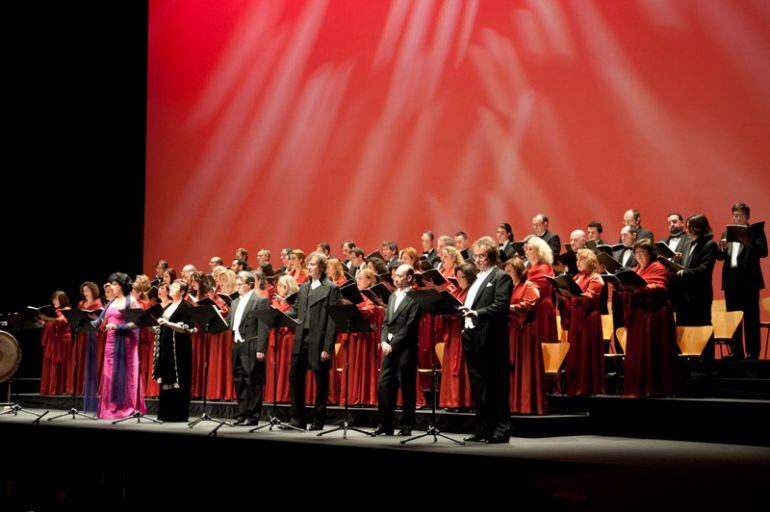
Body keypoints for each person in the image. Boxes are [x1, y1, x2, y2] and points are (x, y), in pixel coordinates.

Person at [460, 237, 513, 444]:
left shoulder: (502, 277)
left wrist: (476, 313)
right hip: (472, 336)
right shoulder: (477, 279)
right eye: (476, 256)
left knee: (496, 384)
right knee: (478, 385)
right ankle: (483, 428)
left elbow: (501, 306)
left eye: (482, 256)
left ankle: (501, 429)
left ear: (491, 256)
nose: (478, 260)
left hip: (490, 338)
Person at [286, 253, 340, 430]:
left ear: (322, 268)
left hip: (319, 339)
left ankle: (318, 419)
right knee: (295, 378)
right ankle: (297, 420)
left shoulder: (331, 288)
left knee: (321, 381)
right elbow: (295, 311)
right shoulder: (304, 288)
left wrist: (328, 347)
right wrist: (279, 316)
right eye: (308, 264)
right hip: (301, 338)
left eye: (313, 264)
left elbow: (333, 319)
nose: (308, 267)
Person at [621, 240, 675, 397]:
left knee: (652, 350)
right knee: (638, 352)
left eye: (642, 252)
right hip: (639, 315)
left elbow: (660, 286)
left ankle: (653, 387)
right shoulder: (635, 270)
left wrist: (642, 288)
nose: (638, 256)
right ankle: (638, 387)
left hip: (654, 315)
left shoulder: (658, 268)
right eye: (636, 253)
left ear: (650, 254)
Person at [374, 264, 422, 436]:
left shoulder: (416, 297)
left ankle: (406, 426)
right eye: (395, 275)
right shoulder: (393, 296)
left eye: (399, 276)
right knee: (385, 385)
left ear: (409, 278)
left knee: (406, 387)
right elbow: (386, 322)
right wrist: (383, 341)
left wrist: (392, 344)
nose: (395, 278)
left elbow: (410, 326)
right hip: (389, 348)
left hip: (406, 348)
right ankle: (385, 424)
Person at [716, 203, 768, 359]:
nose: (737, 218)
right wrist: (723, 248)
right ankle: (736, 352)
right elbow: (720, 257)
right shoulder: (727, 232)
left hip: (749, 282)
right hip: (731, 282)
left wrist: (748, 241)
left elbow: (764, 252)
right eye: (735, 215)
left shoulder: (755, 232)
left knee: (751, 319)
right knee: (733, 319)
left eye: (741, 215)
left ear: (747, 217)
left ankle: (752, 353)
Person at [558, 250, 606, 396]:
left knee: (587, 351)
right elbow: (572, 298)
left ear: (590, 261)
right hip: (576, 318)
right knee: (576, 353)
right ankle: (575, 385)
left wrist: (572, 295)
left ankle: (588, 386)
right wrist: (562, 294)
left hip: (588, 319)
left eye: (581, 260)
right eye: (577, 260)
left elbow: (589, 297)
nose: (578, 262)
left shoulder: (596, 277)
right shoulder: (577, 277)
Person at [97, 272, 144, 419]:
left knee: (125, 375)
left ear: (122, 286)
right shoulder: (111, 302)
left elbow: (138, 322)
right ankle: (110, 408)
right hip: (110, 342)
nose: (112, 286)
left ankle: (125, 407)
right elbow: (103, 320)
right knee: (109, 374)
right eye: (112, 283)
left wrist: (118, 327)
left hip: (126, 343)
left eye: (115, 284)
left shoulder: (130, 301)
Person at [227, 271, 270, 425]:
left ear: (250, 284)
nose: (237, 287)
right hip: (237, 345)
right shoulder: (235, 302)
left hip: (252, 344)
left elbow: (264, 326)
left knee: (253, 381)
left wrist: (261, 349)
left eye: (240, 284)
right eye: (236, 284)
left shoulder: (260, 300)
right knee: (239, 380)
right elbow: (230, 322)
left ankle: (253, 417)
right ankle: (242, 414)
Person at [505, 257, 547, 414]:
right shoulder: (509, 287)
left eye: (509, 271)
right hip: (511, 330)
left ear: (518, 271)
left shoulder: (528, 285)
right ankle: (512, 404)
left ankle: (526, 404)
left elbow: (530, 303)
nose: (507, 274)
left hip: (525, 332)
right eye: (506, 271)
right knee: (511, 367)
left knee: (525, 366)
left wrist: (510, 307)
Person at [338, 268, 383, 406]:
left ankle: (365, 398)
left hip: (366, 337)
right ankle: (351, 397)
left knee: (364, 367)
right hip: (353, 335)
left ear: (369, 280)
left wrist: (354, 306)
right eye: (357, 278)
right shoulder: (354, 295)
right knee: (351, 366)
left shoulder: (371, 295)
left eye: (361, 278)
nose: (358, 281)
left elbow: (369, 311)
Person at [153, 279, 195, 421]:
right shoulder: (169, 306)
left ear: (182, 292)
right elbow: (162, 324)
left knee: (179, 378)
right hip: (167, 347)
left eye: (175, 287)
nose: (171, 288)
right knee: (166, 377)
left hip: (179, 349)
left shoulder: (186, 306)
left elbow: (186, 328)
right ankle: (166, 413)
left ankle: (178, 414)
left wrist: (168, 323)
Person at [438, 262, 474, 410]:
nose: (458, 279)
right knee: (451, 368)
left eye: (461, 277)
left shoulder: (472, 291)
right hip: (452, 334)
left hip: (463, 334)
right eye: (457, 276)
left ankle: (464, 402)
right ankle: (451, 401)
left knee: (462, 368)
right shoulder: (457, 291)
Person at [675, 214, 718, 332]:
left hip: (699, 295)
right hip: (684, 295)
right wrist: (677, 261)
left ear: (698, 228)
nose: (686, 230)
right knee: (683, 329)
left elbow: (704, 269)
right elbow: (687, 264)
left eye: (689, 227)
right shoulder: (687, 244)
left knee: (701, 328)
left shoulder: (709, 244)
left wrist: (684, 272)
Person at [265, 275, 299, 404]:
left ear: (288, 287)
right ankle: (276, 395)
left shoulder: (295, 302)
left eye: (281, 286)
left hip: (288, 338)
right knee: (276, 366)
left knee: (286, 366)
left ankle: (284, 395)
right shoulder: (277, 302)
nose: (278, 288)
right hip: (277, 337)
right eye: (278, 285)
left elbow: (295, 315)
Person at [524, 236, 559, 344]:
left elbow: (536, 289)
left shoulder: (544, 268)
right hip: (533, 308)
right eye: (527, 249)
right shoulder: (530, 268)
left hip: (541, 309)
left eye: (531, 249)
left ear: (539, 252)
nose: (527, 252)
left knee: (542, 342)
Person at [38, 290, 72, 396]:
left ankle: (60, 388)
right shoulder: (54, 311)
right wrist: (42, 322)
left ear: (62, 300)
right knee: (50, 365)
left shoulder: (67, 310)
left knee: (61, 365)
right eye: (53, 299)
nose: (54, 301)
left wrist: (47, 319)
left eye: (56, 299)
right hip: (53, 341)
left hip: (63, 341)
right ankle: (49, 388)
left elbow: (61, 321)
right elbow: (50, 323)